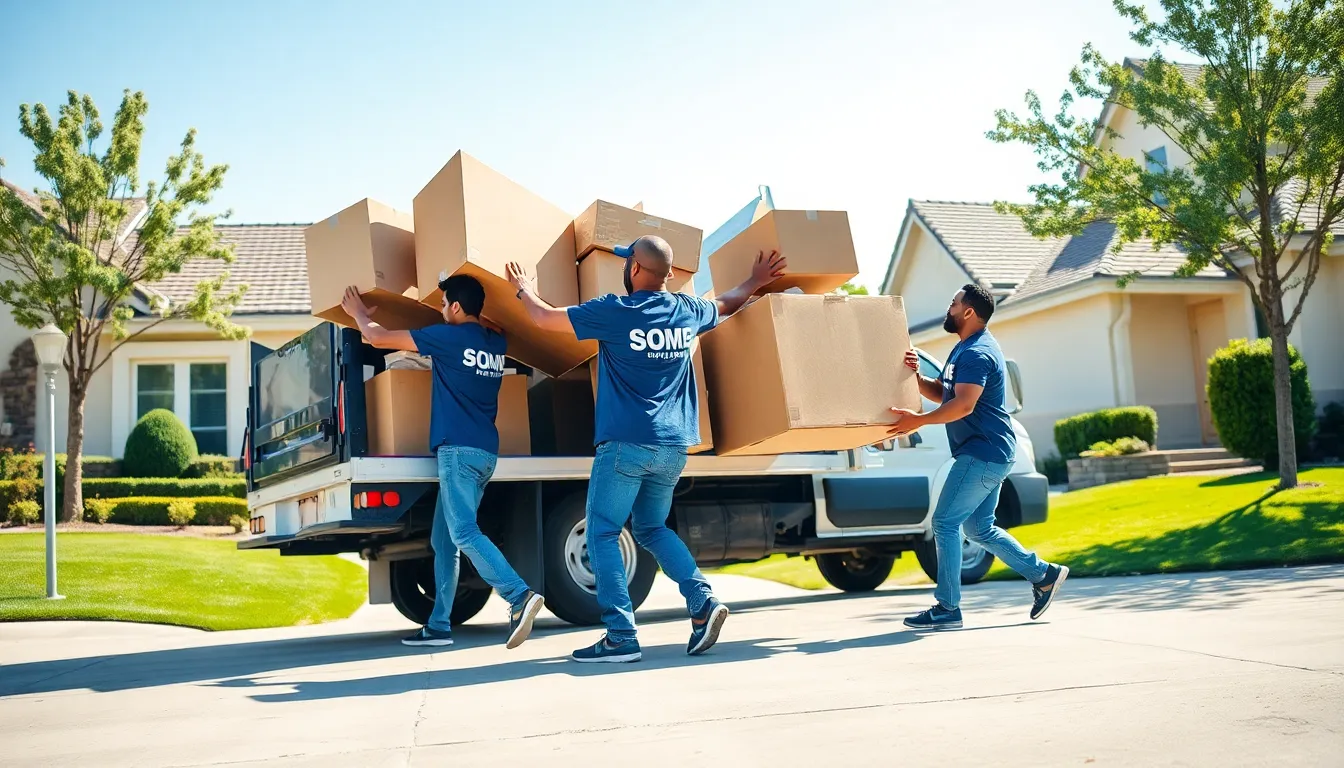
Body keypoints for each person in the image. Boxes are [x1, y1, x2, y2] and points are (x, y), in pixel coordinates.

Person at [505, 236, 785, 663]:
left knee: (601, 533)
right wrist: (756, 280)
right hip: (673, 446)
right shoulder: (687, 311)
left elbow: (544, 319)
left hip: (625, 445)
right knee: (652, 529)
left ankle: (620, 636)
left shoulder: (615, 311)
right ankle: (703, 602)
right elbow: (727, 302)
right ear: (667, 274)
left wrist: (523, 288)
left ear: (635, 269)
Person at [341, 277, 545, 649]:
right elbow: (496, 326)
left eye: (443, 302)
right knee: (444, 540)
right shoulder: (494, 343)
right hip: (485, 452)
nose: (439, 309)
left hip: (457, 452)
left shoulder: (447, 338)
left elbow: (377, 337)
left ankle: (519, 597)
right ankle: (438, 626)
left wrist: (356, 312)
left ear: (454, 307)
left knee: (464, 532)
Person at [888, 283, 1067, 629]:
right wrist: (917, 376)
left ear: (968, 312)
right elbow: (946, 393)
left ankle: (947, 607)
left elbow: (965, 404)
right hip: (989, 451)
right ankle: (1044, 575)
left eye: (953, 302)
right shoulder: (963, 349)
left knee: (944, 522)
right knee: (979, 527)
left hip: (982, 453)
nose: (949, 307)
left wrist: (917, 422)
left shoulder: (977, 352)